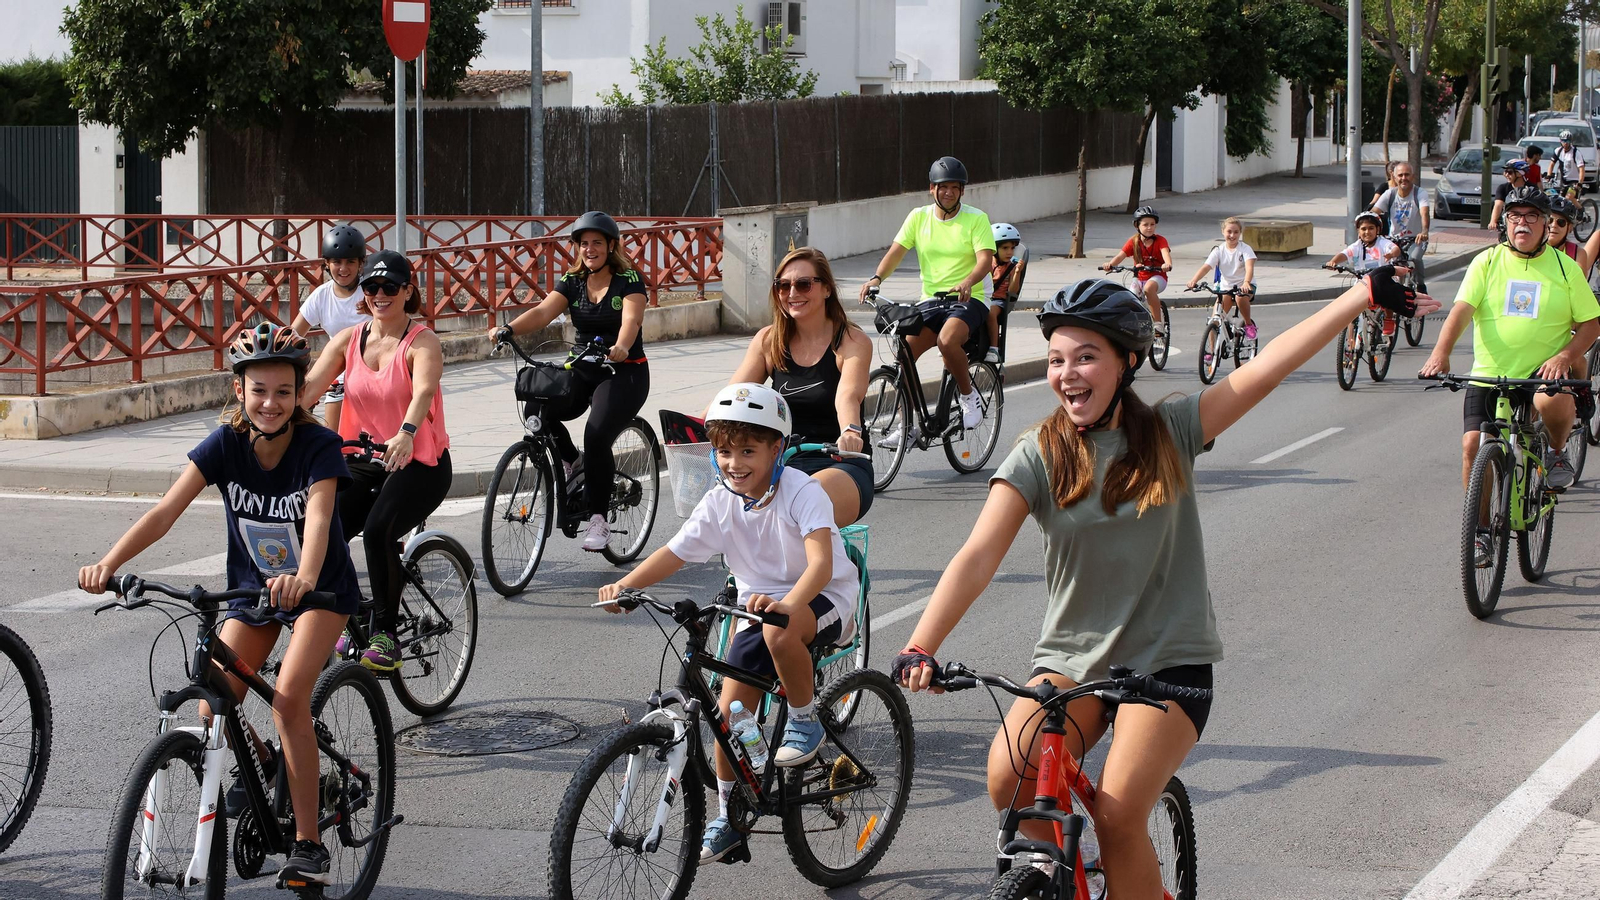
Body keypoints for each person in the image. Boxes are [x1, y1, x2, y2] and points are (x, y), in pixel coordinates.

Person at [893, 272, 1437, 898]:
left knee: (1118, 814)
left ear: (1127, 361)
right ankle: (1048, 877)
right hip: (1072, 660)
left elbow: (1266, 369)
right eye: (1056, 360)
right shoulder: (1039, 452)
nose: (1067, 374)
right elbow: (977, 555)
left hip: (1168, 664)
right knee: (1009, 777)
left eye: (1086, 357)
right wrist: (921, 645)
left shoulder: (1171, 431)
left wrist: (1361, 295)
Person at [79, 322, 362, 885]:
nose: (270, 403)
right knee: (213, 704)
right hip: (253, 591)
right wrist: (109, 564)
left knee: (288, 700)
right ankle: (265, 764)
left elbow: (320, 518)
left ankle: (308, 845)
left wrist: (304, 578)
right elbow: (165, 511)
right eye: (259, 390)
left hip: (319, 591)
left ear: (299, 393)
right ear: (239, 390)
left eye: (283, 391)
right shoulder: (226, 444)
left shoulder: (318, 447)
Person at [597, 382, 860, 866]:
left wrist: (788, 605)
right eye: (723, 452)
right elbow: (675, 552)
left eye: (748, 451)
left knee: (779, 630)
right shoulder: (721, 500)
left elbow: (821, 564)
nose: (734, 463)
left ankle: (805, 720)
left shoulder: (802, 492)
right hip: (756, 608)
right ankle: (729, 818)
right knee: (728, 714)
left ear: (777, 448)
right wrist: (625, 585)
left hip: (822, 596)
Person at [301, 249, 451, 671]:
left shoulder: (422, 341)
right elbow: (309, 388)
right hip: (366, 457)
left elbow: (423, 391)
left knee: (378, 531)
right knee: (320, 524)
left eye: (390, 287)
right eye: (371, 287)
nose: (379, 294)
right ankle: (343, 611)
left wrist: (406, 432)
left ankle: (386, 635)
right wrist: (266, 416)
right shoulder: (350, 340)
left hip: (419, 460)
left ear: (408, 291)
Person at [1421, 188, 1599, 501]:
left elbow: (1590, 324)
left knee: (1551, 399)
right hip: (1490, 372)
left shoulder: (1565, 267)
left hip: (1542, 372)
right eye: (1515, 216)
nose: (1522, 223)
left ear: (1545, 224)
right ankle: (1480, 527)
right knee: (1472, 445)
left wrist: (1565, 356)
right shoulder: (1486, 261)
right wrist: (1441, 353)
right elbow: (1461, 311)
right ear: (1505, 222)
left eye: (1532, 216)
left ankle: (1556, 452)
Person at [491, 211, 649, 551]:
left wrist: (622, 346)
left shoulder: (629, 280)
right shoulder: (573, 280)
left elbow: (631, 320)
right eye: (583, 243)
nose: (589, 249)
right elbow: (543, 312)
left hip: (624, 371)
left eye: (597, 243)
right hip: (582, 366)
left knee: (596, 433)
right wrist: (509, 329)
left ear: (611, 245)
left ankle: (598, 519)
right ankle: (572, 459)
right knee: (536, 408)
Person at [727, 246, 873, 527]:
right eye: (783, 285)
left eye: (803, 284)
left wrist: (850, 431)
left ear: (827, 289)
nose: (792, 293)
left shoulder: (851, 341)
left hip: (838, 462)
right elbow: (734, 395)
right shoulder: (769, 340)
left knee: (804, 499)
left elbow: (848, 396)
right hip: (782, 462)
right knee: (727, 516)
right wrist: (695, 424)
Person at [857, 156, 996, 440]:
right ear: (932, 189)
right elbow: (895, 253)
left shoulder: (976, 218)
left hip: (970, 298)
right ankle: (907, 428)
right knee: (904, 355)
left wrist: (969, 281)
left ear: (962, 191)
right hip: (931, 300)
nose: (949, 193)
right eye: (943, 187)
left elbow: (985, 260)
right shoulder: (918, 217)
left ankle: (969, 397)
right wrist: (876, 279)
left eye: (955, 188)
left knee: (948, 341)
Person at [292, 224, 370, 433]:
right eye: (337, 262)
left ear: (361, 263)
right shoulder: (322, 295)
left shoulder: (371, 291)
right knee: (329, 434)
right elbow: (293, 336)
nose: (343, 268)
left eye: (350, 262)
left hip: (372, 368)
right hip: (337, 370)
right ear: (327, 264)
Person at [1186, 216, 1258, 354]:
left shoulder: (1245, 249)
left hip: (1244, 286)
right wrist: (1194, 280)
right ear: (1223, 232)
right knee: (1215, 320)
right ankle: (1212, 352)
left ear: (1240, 233)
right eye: (1229, 232)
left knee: (1240, 298)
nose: (1232, 235)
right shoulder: (1218, 250)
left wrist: (1246, 282)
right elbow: (1206, 267)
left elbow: (1249, 268)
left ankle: (1249, 325)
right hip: (1226, 288)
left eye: (1236, 232)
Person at [1101, 205, 1172, 344]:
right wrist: (1110, 265)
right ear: (1137, 225)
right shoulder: (1133, 242)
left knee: (1149, 289)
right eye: (1145, 224)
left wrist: (1167, 264)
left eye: (1152, 224)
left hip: (1158, 277)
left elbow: (1166, 254)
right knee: (1129, 298)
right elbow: (1120, 256)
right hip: (1139, 277)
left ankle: (1158, 324)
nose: (1149, 228)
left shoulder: (1160, 241)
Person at [1328, 210, 1403, 335]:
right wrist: (1333, 261)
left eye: (1371, 228)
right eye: (1363, 229)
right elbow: (1344, 254)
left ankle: (1389, 319)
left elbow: (1395, 249)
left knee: (1388, 296)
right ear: (1358, 231)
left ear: (1378, 229)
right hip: (1362, 281)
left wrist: (1391, 254)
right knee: (1351, 307)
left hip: (1381, 278)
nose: (1367, 232)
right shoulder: (1357, 246)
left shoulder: (1382, 243)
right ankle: (1351, 340)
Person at [1372, 161, 1431, 293]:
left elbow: (1424, 213)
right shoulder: (1390, 194)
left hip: (1416, 238)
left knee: (1414, 258)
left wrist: (1424, 231)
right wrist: (1366, 224)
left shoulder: (1419, 193)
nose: (1404, 178)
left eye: (1407, 175)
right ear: (1394, 177)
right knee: (1384, 261)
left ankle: (1420, 285)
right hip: (1394, 239)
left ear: (1413, 176)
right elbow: (1374, 212)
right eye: (1400, 175)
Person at [985, 222, 1028, 363]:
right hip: (984, 297)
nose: (1010, 252)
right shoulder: (987, 263)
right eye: (1005, 248)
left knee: (990, 312)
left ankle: (993, 348)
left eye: (1012, 248)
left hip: (999, 301)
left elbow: (1012, 291)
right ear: (994, 248)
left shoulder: (1012, 266)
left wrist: (1017, 272)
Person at [1546, 193, 1600, 275]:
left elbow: (1580, 281)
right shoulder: (1529, 249)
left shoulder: (1576, 254)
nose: (1554, 225)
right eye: (1549, 220)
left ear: (1570, 227)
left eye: (1561, 222)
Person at [1489, 159, 1533, 232]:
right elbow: (1498, 205)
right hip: (1508, 221)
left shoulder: (1531, 189)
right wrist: (1493, 221)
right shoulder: (1502, 188)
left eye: (1510, 172)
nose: (1506, 175)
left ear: (1520, 173)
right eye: (1505, 172)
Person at [1553, 131, 1584, 198]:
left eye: (1567, 141)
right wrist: (1549, 175)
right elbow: (1552, 163)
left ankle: (1578, 205)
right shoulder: (1558, 151)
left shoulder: (1576, 152)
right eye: (1563, 141)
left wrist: (1580, 183)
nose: (1565, 143)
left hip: (1574, 181)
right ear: (1560, 141)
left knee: (1569, 197)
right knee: (1560, 199)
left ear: (1571, 141)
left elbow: (1581, 168)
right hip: (1563, 181)